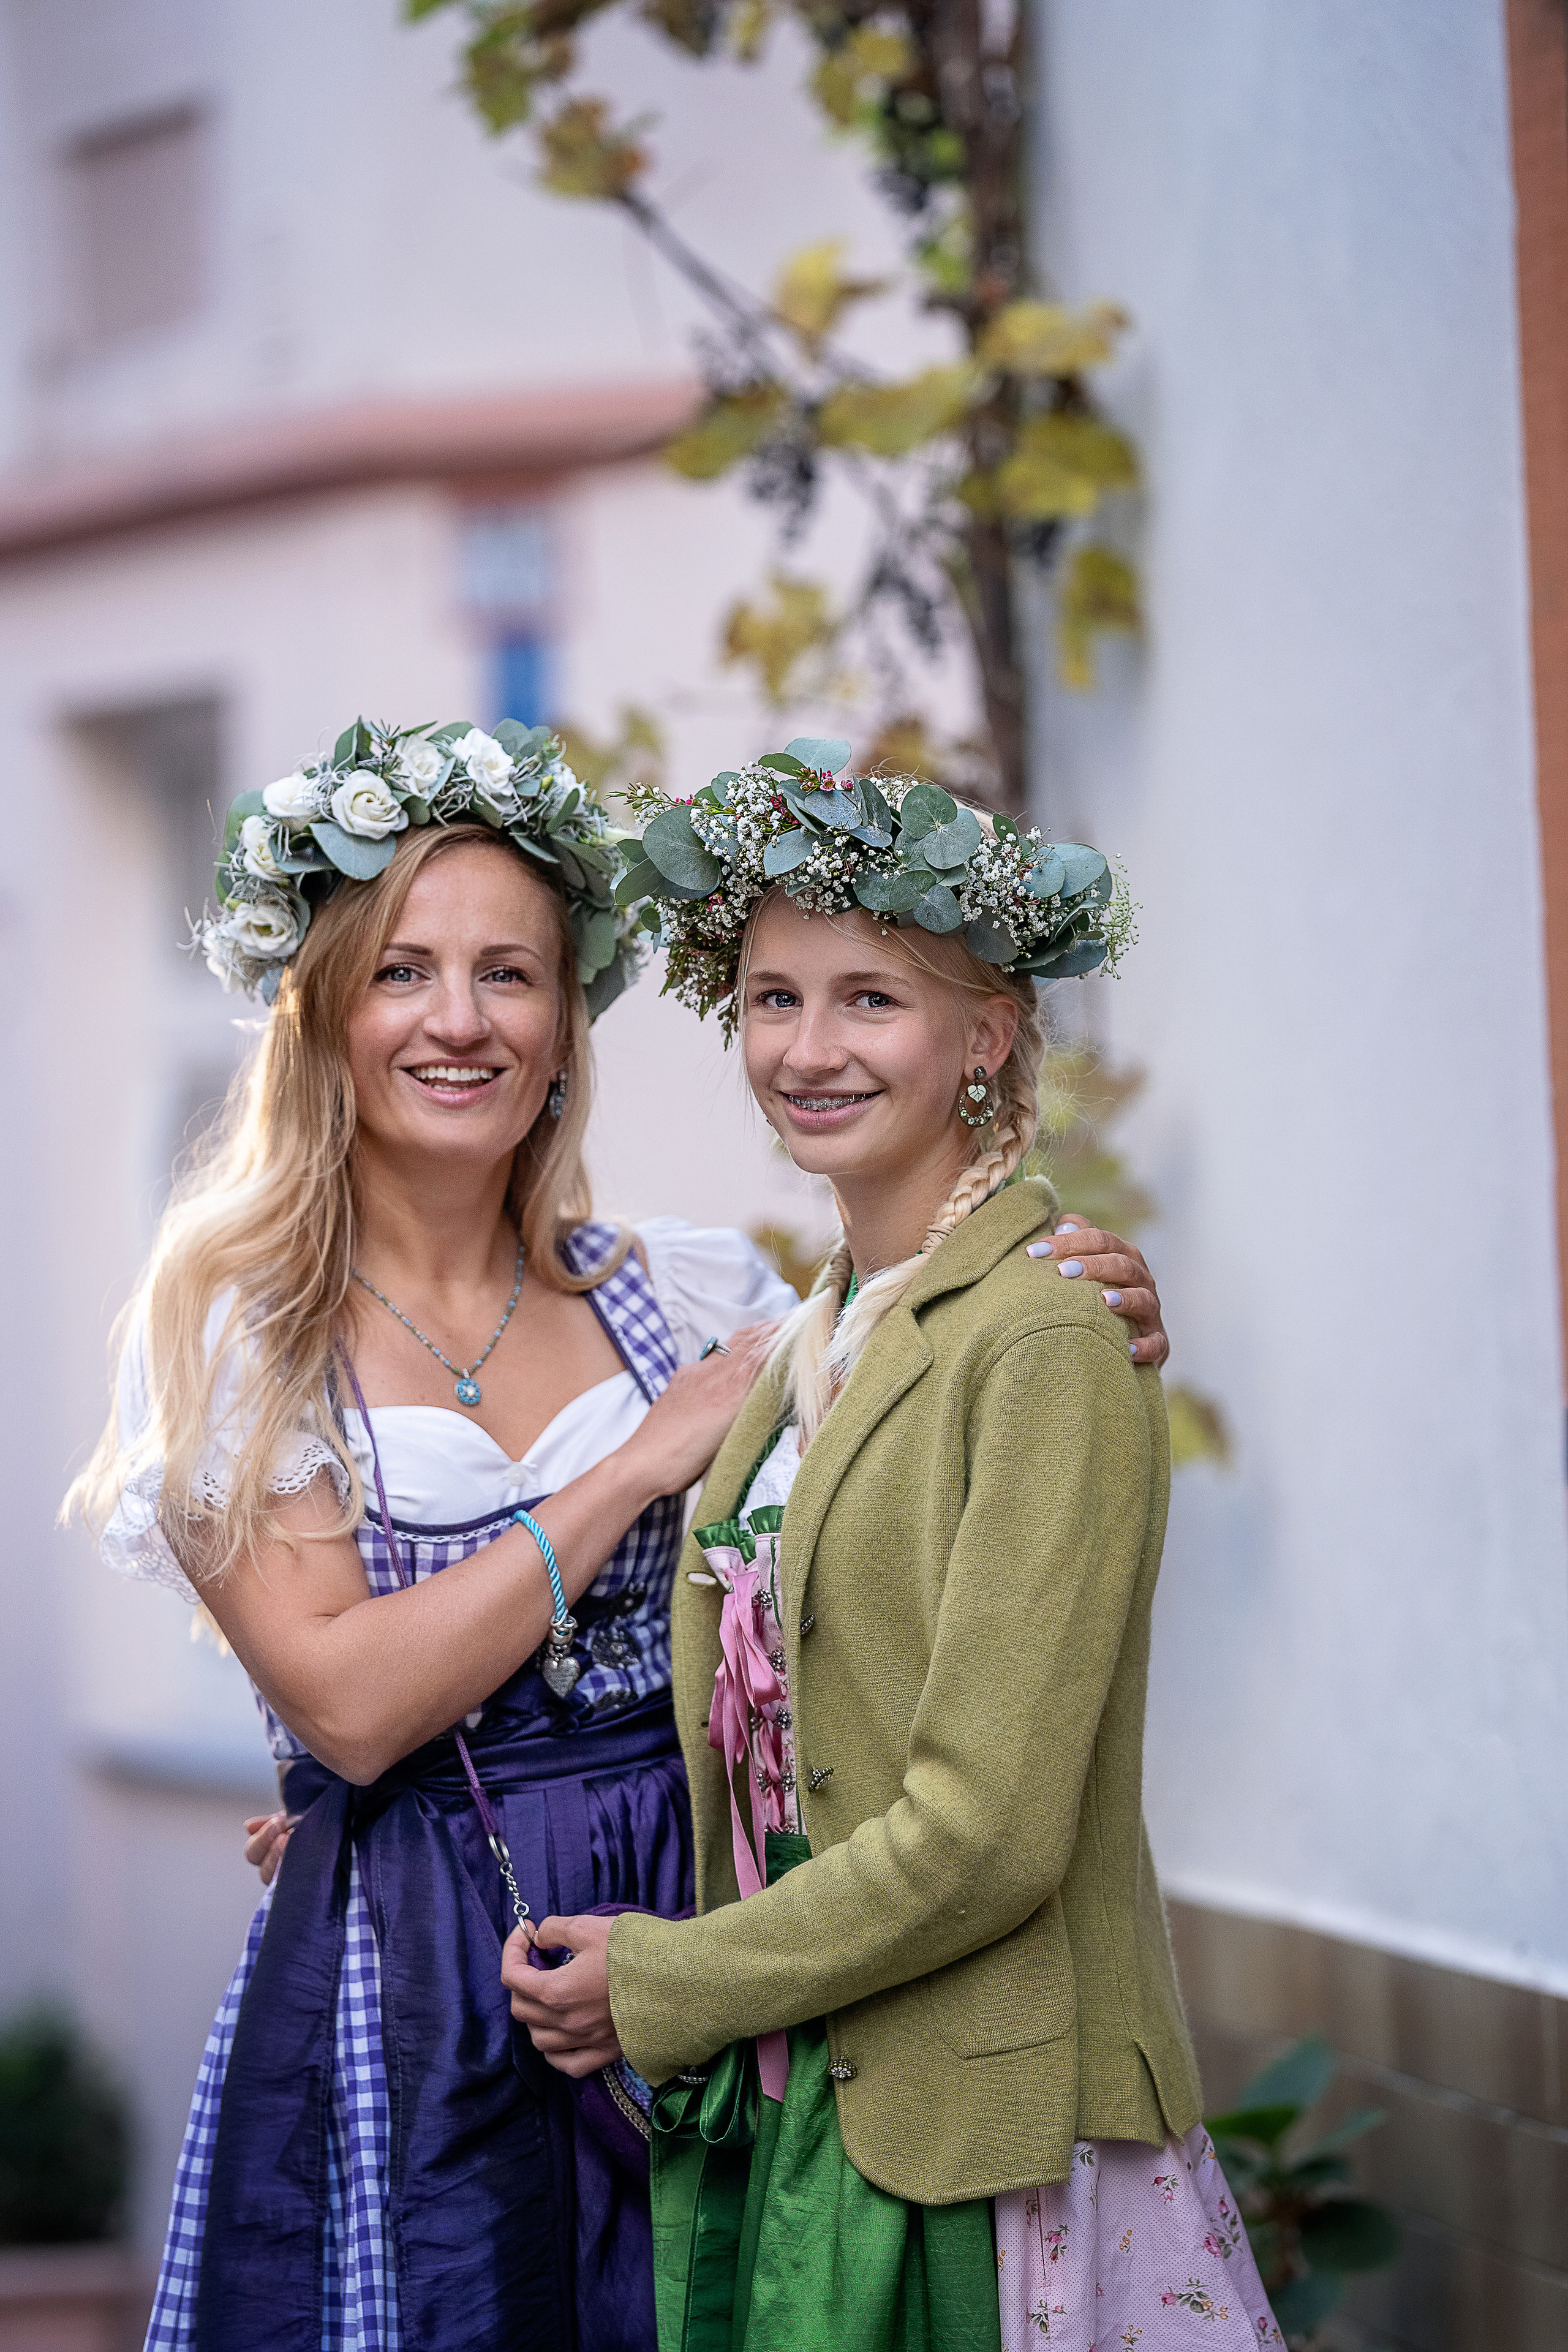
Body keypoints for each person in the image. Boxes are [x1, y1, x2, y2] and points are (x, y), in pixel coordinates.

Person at [505, 742, 1283, 2350]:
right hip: (817, 2084)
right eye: (773, 1000)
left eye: (870, 999)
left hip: (981, 2127)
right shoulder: (810, 1344)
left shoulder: (1044, 1339)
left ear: (985, 1035)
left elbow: (989, 1834)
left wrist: (675, 1983)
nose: (808, 1049)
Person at [69, 720, 796, 2352]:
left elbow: (875, 1486)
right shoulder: (238, 1336)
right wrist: (629, 1472)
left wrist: (1060, 1292)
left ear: (563, 1027)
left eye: (507, 975)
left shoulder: (683, 1294)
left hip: (682, 1938)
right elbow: (351, 1706)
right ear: (323, 1013)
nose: (459, 1021)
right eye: (403, 971)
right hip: (408, 1965)